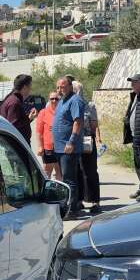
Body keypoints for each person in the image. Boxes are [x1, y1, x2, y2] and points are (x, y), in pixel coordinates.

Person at [51, 75, 85, 220]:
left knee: (69, 180)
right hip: (60, 148)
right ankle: (72, 206)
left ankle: (72, 210)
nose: (60, 90)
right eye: (58, 87)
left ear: (70, 86)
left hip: (68, 147)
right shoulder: (62, 101)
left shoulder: (75, 100)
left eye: (63, 87)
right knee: (66, 178)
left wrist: (71, 142)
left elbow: (78, 122)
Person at [75, 81, 103, 214]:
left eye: (77, 89)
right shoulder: (67, 104)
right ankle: (79, 200)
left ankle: (95, 201)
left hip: (86, 141)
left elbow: (94, 125)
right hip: (73, 142)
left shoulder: (90, 106)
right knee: (77, 172)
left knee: (90, 171)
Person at [0, 74, 37, 145]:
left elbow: (18, 121)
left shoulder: (12, 99)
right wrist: (28, 119)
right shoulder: (14, 102)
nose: (31, 89)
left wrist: (29, 118)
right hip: (17, 145)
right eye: (30, 86)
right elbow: (14, 126)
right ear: (25, 87)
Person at [35, 92, 61, 180]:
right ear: (49, 100)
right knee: (47, 169)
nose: (54, 101)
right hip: (48, 147)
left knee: (59, 170)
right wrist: (40, 146)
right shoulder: (43, 112)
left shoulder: (63, 111)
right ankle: (47, 190)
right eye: (52, 99)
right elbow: (38, 131)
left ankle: (59, 191)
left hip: (60, 146)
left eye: (56, 99)